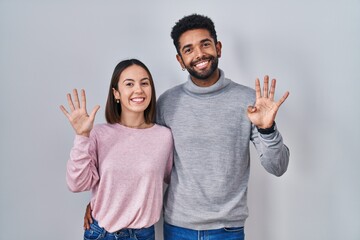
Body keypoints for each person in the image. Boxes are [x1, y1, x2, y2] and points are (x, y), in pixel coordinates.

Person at [84, 14, 290, 240]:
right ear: (180, 60)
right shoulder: (167, 103)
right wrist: (101, 205)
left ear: (218, 48)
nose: (199, 54)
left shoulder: (249, 101)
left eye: (205, 44)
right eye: (188, 49)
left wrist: (267, 129)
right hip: (177, 228)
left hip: (227, 230)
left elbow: (278, 166)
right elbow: (138, 161)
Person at [60, 59, 174, 240]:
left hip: (143, 234)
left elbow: (175, 181)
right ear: (116, 93)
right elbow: (77, 184)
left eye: (145, 83)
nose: (138, 89)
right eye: (129, 84)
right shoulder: (98, 133)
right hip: (101, 233)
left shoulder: (164, 137)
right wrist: (82, 136)